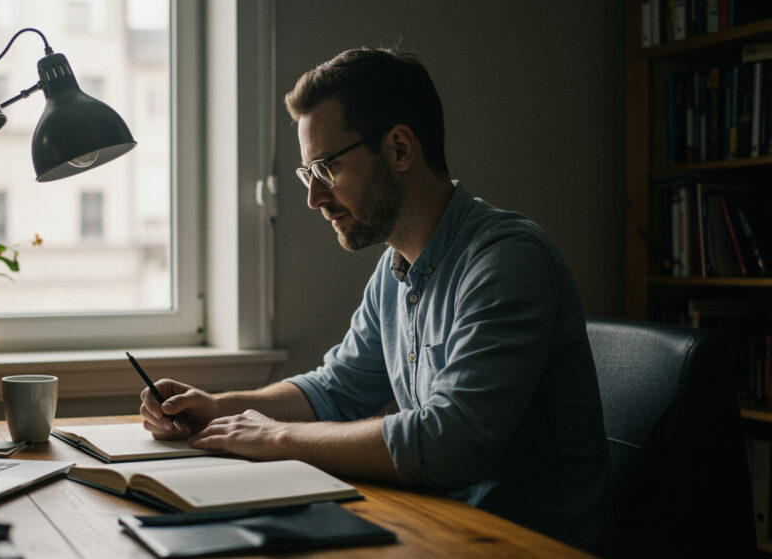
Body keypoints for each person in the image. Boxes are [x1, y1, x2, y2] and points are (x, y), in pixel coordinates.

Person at [139, 47, 611, 554]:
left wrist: (274, 438)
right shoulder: (395, 268)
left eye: (326, 168)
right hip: (437, 528)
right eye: (308, 174)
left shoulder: (508, 261)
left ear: (401, 148)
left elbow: (448, 443)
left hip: (526, 546)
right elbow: (335, 391)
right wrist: (219, 408)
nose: (314, 198)